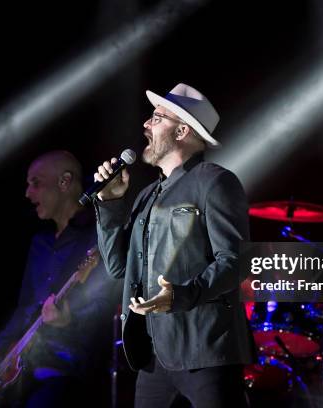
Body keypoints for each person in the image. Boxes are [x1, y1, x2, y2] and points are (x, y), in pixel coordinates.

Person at [93, 83, 255, 407]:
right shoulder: (146, 196)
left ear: (181, 131)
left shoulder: (214, 181)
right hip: (153, 357)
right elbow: (117, 267)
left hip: (206, 351)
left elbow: (234, 261)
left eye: (156, 117)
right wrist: (109, 205)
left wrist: (181, 295)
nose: (146, 124)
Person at [0, 150, 119, 407]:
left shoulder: (97, 237)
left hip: (69, 368)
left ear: (65, 182)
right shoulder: (39, 243)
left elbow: (107, 303)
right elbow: (24, 308)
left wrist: (69, 319)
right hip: (26, 368)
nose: (28, 194)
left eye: (36, 183)